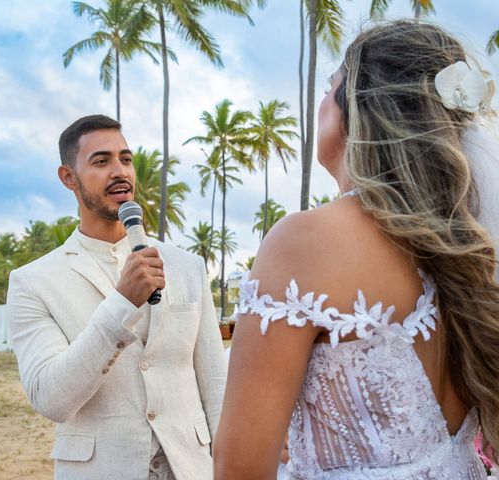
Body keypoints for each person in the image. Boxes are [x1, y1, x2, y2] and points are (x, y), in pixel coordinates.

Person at [214, 20, 499, 479]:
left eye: (331, 87)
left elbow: (239, 467)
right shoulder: (470, 248)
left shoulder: (307, 242)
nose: (322, 102)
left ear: (359, 108)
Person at [7, 115, 227, 480]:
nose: (119, 171)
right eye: (101, 161)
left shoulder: (187, 266)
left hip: (191, 468)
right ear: (68, 177)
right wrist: (121, 304)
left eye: (126, 159)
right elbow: (50, 397)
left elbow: (215, 383)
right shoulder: (33, 281)